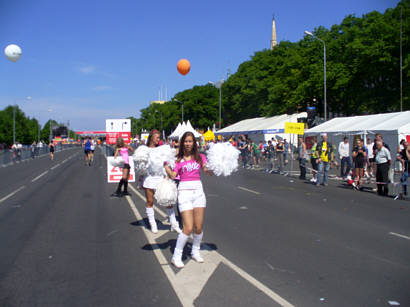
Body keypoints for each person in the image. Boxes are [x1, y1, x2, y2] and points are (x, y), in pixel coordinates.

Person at [164, 131, 212, 268]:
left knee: (198, 227)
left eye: (190, 141)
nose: (188, 144)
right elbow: (174, 175)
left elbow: (206, 170)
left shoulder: (200, 157)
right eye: (185, 141)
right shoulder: (177, 160)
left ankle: (195, 251)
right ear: (181, 143)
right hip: (184, 192)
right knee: (187, 227)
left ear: (194, 143)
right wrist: (165, 165)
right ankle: (176, 256)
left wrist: (211, 170)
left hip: (198, 192)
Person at [143, 130, 181, 234]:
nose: (158, 140)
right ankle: (152, 223)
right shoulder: (144, 150)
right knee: (150, 201)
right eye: (157, 138)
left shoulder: (162, 149)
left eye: (159, 138)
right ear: (151, 138)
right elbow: (141, 165)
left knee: (167, 201)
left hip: (161, 178)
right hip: (149, 178)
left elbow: (171, 156)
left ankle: (174, 224)